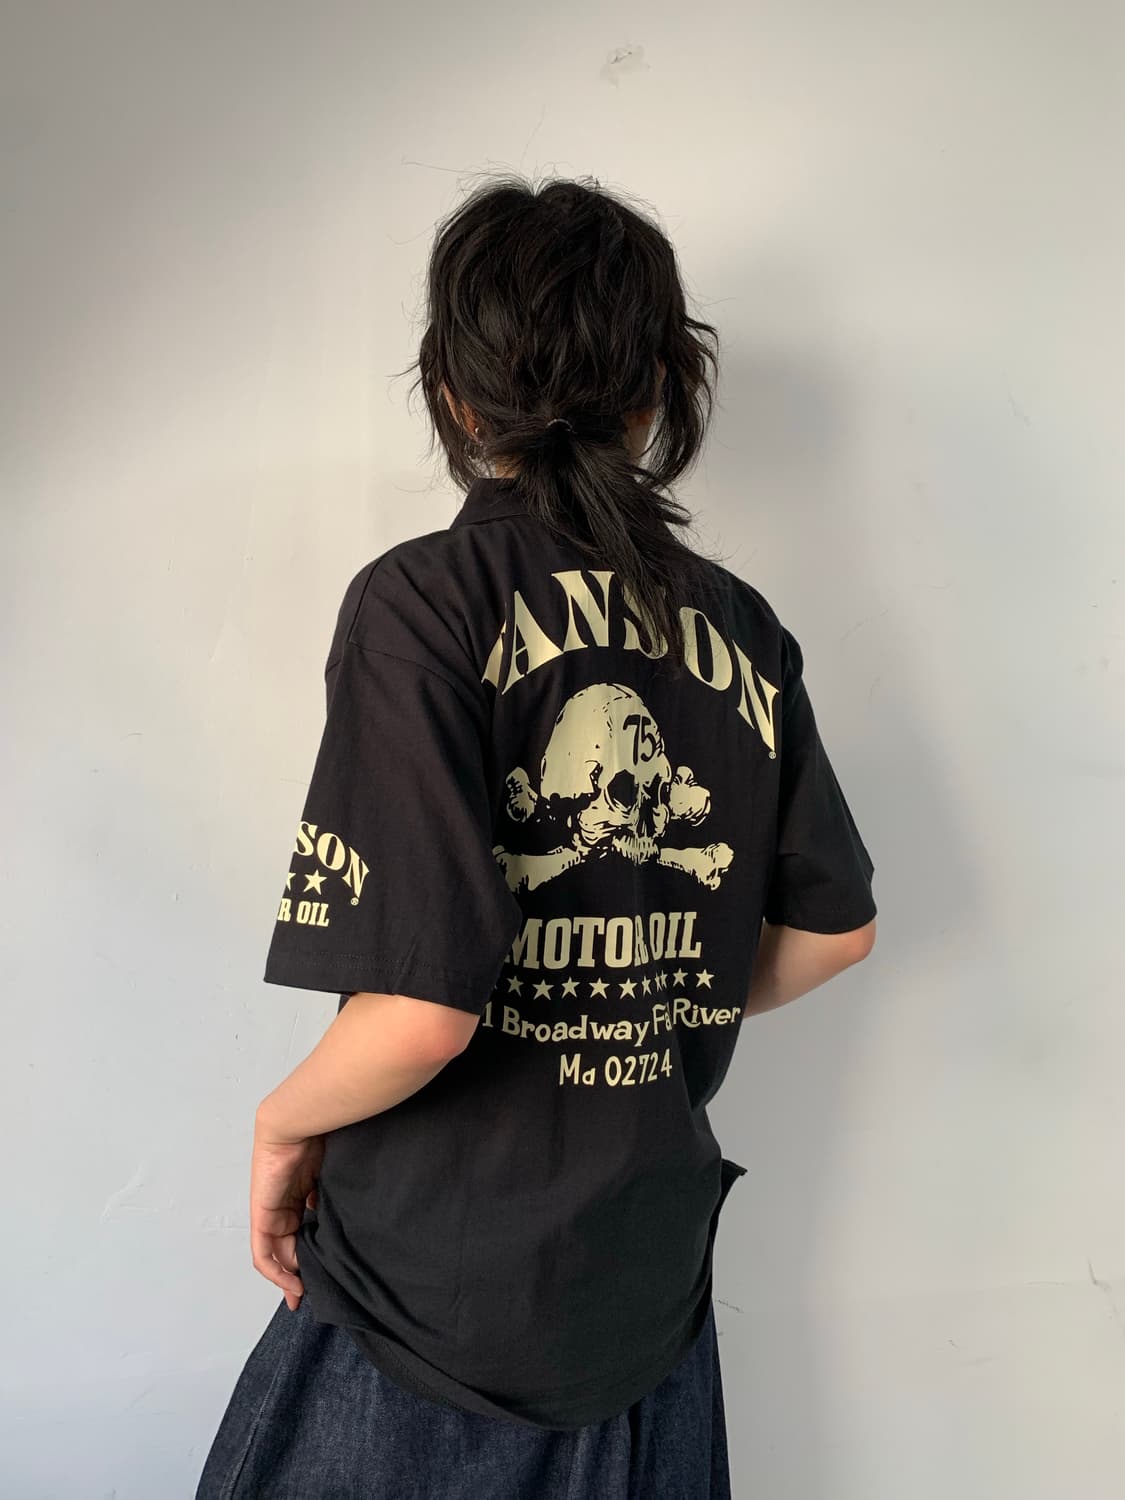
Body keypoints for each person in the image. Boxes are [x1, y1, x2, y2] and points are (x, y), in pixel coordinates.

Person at [195, 173, 877, 1500]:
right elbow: (834, 932)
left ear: (454, 395)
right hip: (647, 1302)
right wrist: (646, 980)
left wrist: (282, 1127)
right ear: (659, 390)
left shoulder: (423, 603)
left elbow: (421, 1014)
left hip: (424, 1313)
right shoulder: (741, 627)